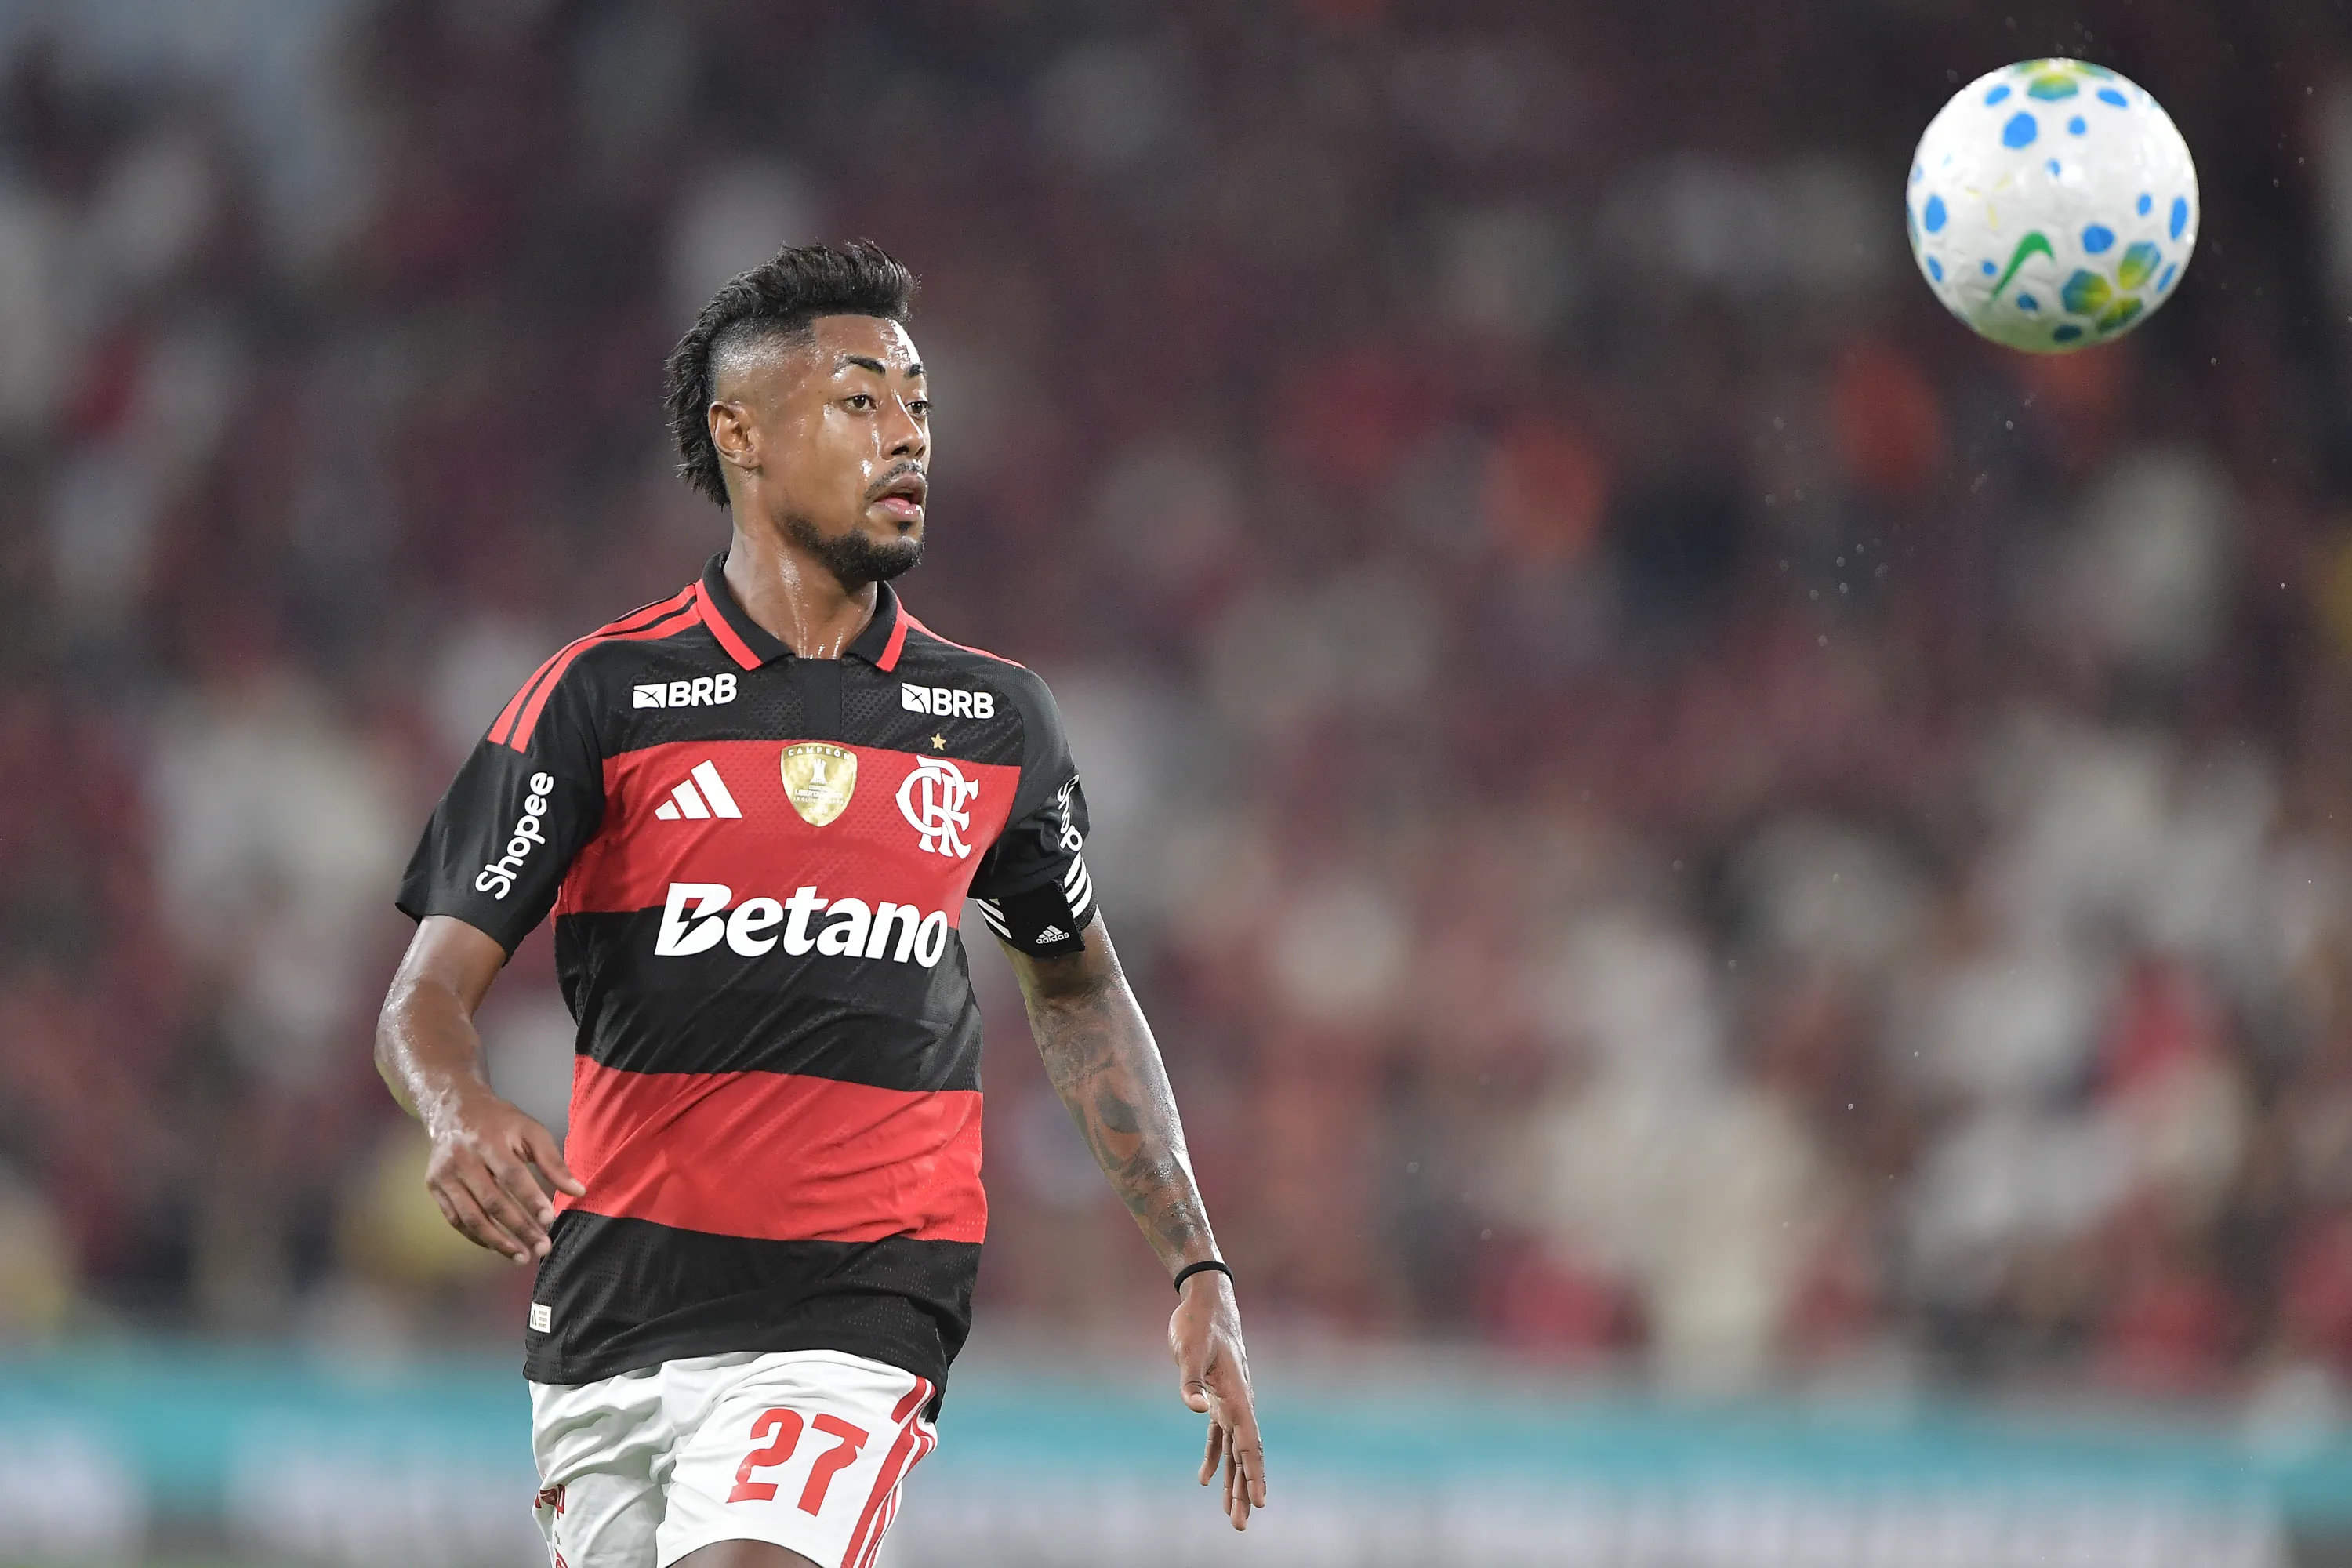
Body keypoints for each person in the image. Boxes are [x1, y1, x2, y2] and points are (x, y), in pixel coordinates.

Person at [375, 241, 1267, 1568]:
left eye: (919, 405)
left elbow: (1079, 985)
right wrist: (457, 1109)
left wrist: (1198, 1266)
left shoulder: (993, 720)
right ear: (739, 433)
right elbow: (423, 999)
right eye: (860, 401)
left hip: (860, 1300)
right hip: (615, 1313)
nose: (907, 436)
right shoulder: (600, 699)